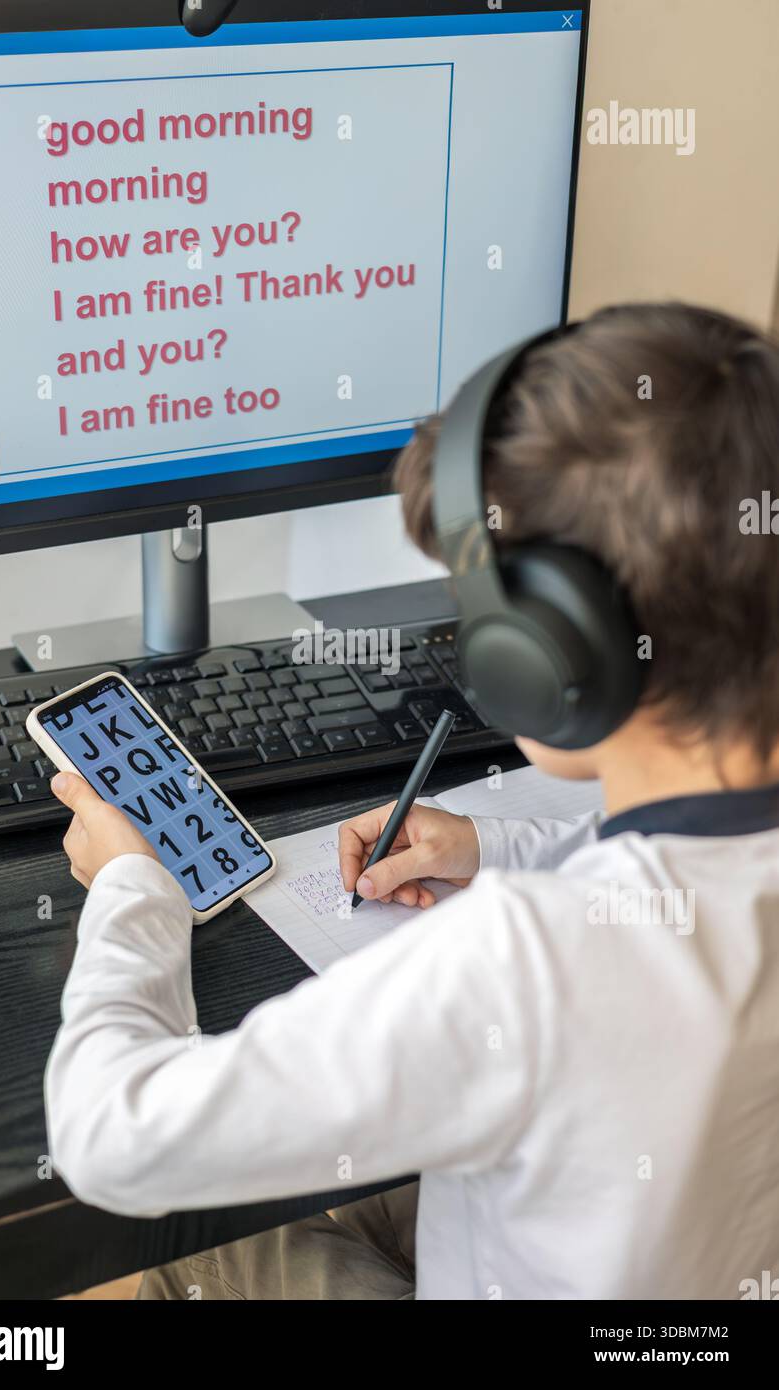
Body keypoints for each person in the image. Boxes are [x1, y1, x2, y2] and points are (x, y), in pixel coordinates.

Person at [46, 303, 779, 1299]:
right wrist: (487, 846)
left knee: (197, 1256)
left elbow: (109, 1135)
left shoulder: (528, 961)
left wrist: (134, 889)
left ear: (546, 651)